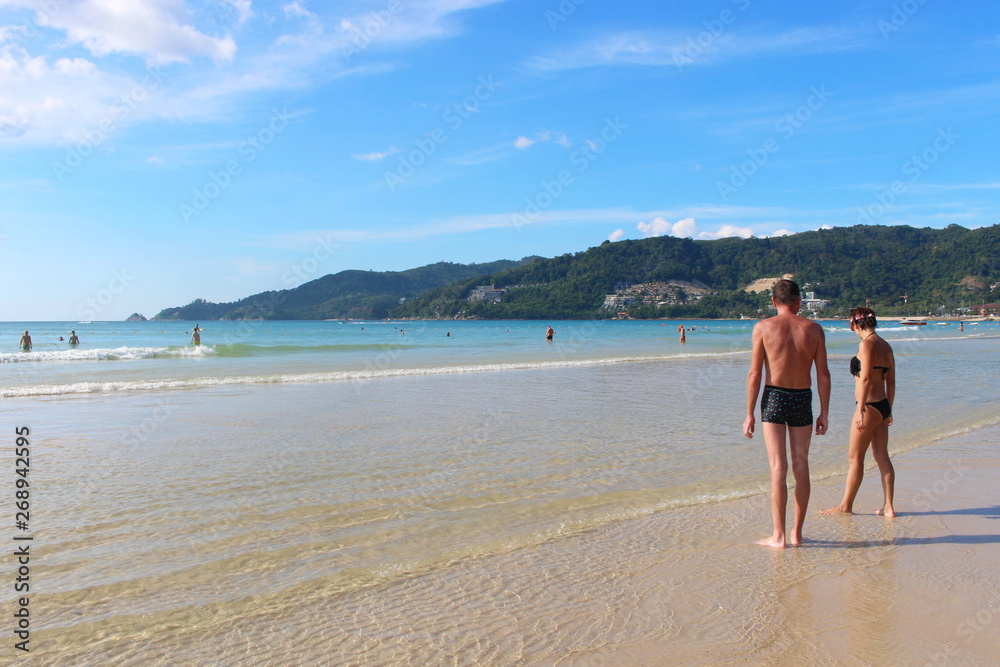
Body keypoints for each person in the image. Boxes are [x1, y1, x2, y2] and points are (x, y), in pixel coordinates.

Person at [744, 279, 830, 548]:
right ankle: (797, 534)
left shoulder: (762, 328)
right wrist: (824, 412)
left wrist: (749, 413)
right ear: (798, 301)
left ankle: (778, 536)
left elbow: (755, 373)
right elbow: (823, 374)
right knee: (801, 465)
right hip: (802, 398)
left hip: (774, 398)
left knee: (778, 468)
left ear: (773, 301)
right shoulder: (814, 329)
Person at [822, 308, 896, 517]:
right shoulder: (886, 346)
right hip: (882, 406)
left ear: (855, 325)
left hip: (868, 406)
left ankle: (846, 506)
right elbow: (890, 381)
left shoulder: (866, 345)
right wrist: (889, 409)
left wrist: (859, 409)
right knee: (882, 456)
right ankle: (889, 507)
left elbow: (864, 379)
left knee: (855, 458)